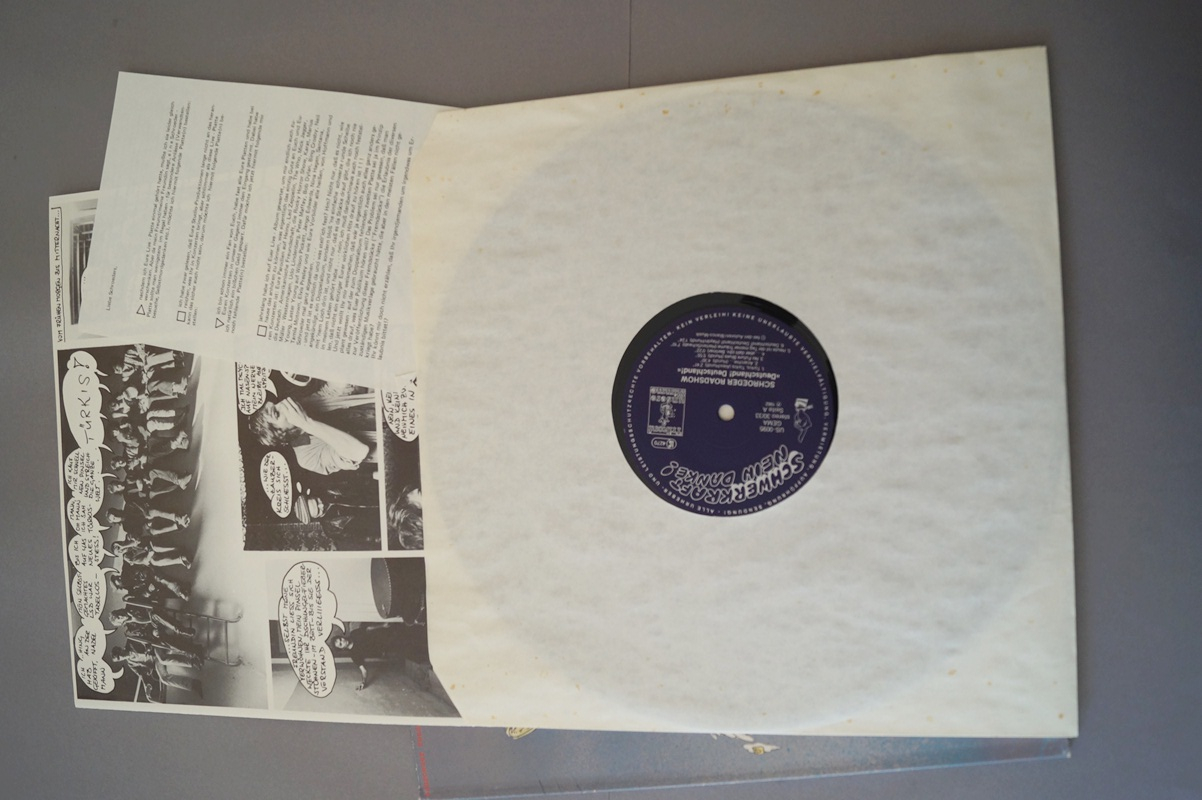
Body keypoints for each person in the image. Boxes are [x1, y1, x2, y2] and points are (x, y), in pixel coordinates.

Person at [248, 396, 374, 475]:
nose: (282, 404)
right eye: (277, 413)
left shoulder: (306, 404)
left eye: (275, 404)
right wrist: (306, 423)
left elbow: (338, 389)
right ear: (280, 434)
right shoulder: (306, 457)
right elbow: (359, 451)